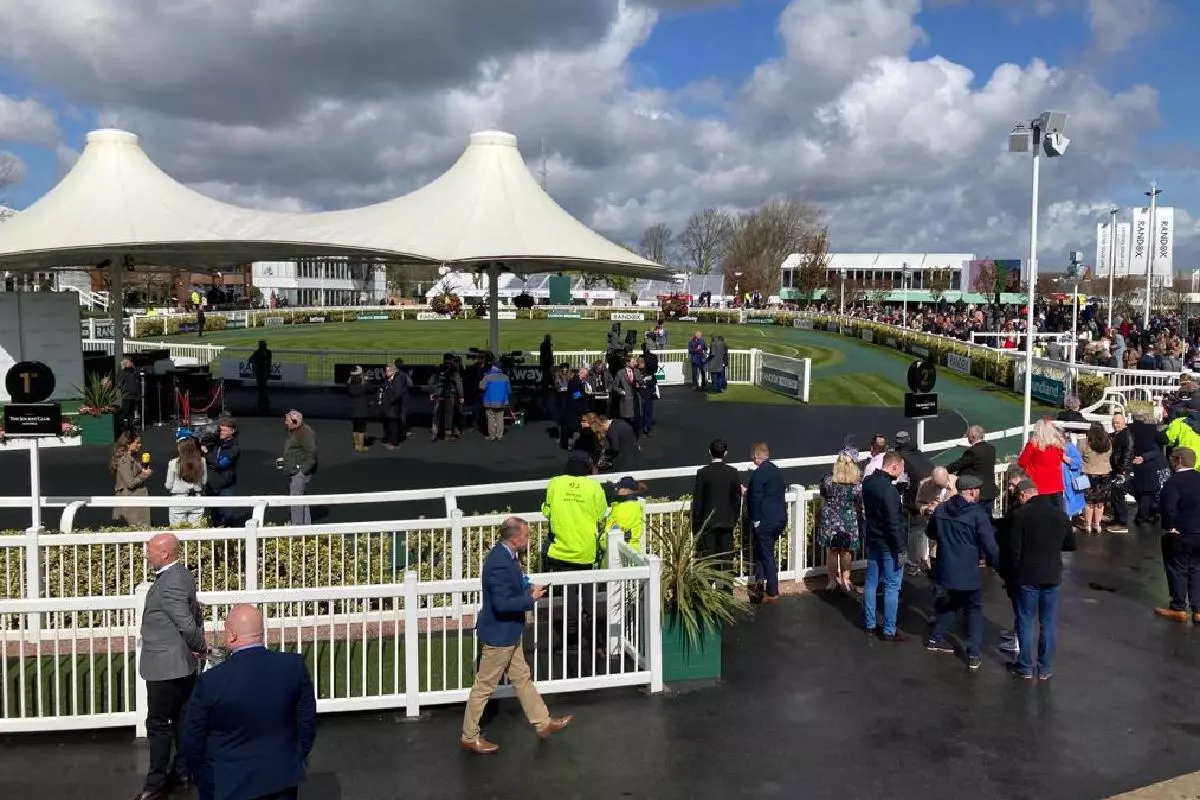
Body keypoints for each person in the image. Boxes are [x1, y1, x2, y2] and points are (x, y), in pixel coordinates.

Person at [181, 605, 317, 800]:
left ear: (232, 635)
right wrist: (293, 758)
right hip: (280, 778)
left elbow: (192, 740)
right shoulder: (293, 668)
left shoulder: (211, 682)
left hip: (226, 784)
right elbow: (307, 723)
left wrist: (202, 777)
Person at [462, 517, 572, 754]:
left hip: (509, 632)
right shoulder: (500, 561)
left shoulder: (508, 555)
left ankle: (543, 723)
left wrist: (528, 588)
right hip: (500, 635)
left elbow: (512, 587)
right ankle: (469, 736)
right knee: (484, 686)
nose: (529, 538)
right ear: (515, 538)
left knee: (522, 677)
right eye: (527, 535)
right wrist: (529, 599)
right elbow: (502, 604)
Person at [136, 533, 206, 800]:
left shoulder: (171, 583)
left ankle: (156, 783)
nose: (146, 553)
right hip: (180, 664)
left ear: (166, 554)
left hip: (166, 667)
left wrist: (201, 647)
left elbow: (187, 624)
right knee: (180, 721)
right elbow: (193, 614)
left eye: (151, 549)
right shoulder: (182, 575)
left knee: (158, 724)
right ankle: (182, 771)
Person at [922, 475, 999, 671]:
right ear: (972, 491)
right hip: (968, 571)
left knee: (951, 604)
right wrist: (1000, 565)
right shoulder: (977, 515)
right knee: (974, 610)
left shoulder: (941, 509)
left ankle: (935, 638)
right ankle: (973, 654)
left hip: (945, 568)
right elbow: (990, 546)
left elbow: (930, 533)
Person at [1005, 479, 1075, 680]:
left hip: (1028, 575)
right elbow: (1071, 544)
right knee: (1048, 623)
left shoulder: (1020, 515)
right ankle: (1045, 668)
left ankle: (1025, 666)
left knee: (1026, 621)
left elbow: (1013, 549)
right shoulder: (1060, 515)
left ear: (1024, 495)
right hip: (1052, 574)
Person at [861, 451, 906, 641]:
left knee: (871, 583)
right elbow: (893, 523)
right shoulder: (890, 491)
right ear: (894, 466)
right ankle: (889, 629)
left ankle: (870, 624)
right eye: (902, 467)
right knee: (891, 586)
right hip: (889, 544)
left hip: (873, 540)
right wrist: (901, 549)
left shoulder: (868, 483)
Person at [1156, 447, 1200, 623]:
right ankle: (1198, 608)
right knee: (1197, 569)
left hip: (1181, 533)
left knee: (1177, 569)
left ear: (1179, 461)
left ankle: (1178, 607)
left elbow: (1168, 507)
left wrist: (1170, 526)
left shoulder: (1174, 482)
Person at [692, 438, 743, 575]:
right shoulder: (732, 472)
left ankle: (708, 591)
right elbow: (737, 498)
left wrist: (696, 524)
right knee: (727, 560)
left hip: (708, 524)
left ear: (710, 452)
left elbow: (698, 500)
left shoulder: (703, 473)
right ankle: (727, 591)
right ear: (725, 453)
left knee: (708, 560)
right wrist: (734, 518)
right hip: (727, 523)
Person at [816, 448, 862, 594]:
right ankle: (845, 580)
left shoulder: (828, 481)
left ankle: (831, 581)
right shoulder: (856, 485)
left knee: (832, 551)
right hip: (848, 519)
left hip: (830, 519)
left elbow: (823, 493)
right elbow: (859, 500)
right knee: (846, 552)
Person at [746, 442, 786, 604]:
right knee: (764, 552)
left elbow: (754, 498)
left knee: (767, 555)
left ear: (756, 456)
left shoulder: (758, 474)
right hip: (780, 518)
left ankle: (773, 591)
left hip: (765, 521)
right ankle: (759, 584)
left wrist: (755, 520)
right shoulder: (776, 471)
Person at [945, 425, 997, 513]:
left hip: (978, 492)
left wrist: (945, 470)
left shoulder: (973, 451)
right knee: (988, 518)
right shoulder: (991, 449)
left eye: (968, 435)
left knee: (976, 517)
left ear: (972, 436)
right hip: (990, 491)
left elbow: (958, 464)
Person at [1018, 419, 1067, 509]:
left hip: (1038, 486)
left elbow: (1022, 462)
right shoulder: (1058, 445)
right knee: (1056, 514)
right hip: (1056, 485)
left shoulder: (1033, 444)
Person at [279, 410, 318, 526]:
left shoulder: (306, 433)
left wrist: (302, 472)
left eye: (287, 420)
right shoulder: (295, 431)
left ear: (295, 422)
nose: (285, 423)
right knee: (302, 501)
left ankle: (297, 530)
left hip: (300, 474)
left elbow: (312, 454)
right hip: (296, 471)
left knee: (295, 502)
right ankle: (305, 528)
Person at [201, 417, 240, 527]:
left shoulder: (234, 448)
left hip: (226, 484)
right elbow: (203, 440)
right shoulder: (216, 441)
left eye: (224, 430)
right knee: (214, 513)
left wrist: (206, 453)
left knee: (226, 513)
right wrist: (215, 432)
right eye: (220, 430)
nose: (221, 432)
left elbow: (220, 465)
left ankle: (229, 533)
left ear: (232, 431)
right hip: (212, 484)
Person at [111, 431, 152, 529]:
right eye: (137, 443)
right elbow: (130, 483)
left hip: (136, 500)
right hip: (131, 502)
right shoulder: (124, 460)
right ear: (128, 444)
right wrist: (144, 475)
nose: (140, 445)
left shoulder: (133, 457)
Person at [165, 433, 208, 527]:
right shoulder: (202, 461)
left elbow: (169, 486)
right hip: (196, 499)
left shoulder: (173, 463)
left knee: (178, 531)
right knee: (195, 532)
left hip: (178, 500)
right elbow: (204, 482)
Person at [1079, 421, 1113, 533]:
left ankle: (1087, 524)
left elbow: (1079, 457)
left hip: (1088, 474)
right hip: (1104, 474)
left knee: (1088, 501)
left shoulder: (1084, 442)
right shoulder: (1108, 443)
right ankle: (1097, 524)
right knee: (1100, 501)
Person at [603, 477, 647, 558]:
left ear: (626, 490)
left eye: (619, 488)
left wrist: (601, 543)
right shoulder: (630, 505)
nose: (616, 490)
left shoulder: (626, 508)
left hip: (624, 555)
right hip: (628, 552)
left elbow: (610, 533)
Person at [1108, 413, 1133, 533]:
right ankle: (1117, 519)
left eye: (1117, 423)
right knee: (1115, 495)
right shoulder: (1117, 434)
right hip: (1116, 468)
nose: (1115, 425)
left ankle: (1122, 522)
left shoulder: (1126, 436)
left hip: (1122, 470)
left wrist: (1122, 470)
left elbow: (1128, 454)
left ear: (1124, 423)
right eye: (1114, 422)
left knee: (1119, 496)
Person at [380, 361, 410, 449]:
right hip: (389, 406)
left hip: (394, 406)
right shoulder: (388, 379)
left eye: (387, 371)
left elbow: (397, 393)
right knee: (389, 424)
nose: (385, 372)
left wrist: (389, 401)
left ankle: (394, 442)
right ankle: (390, 440)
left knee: (394, 424)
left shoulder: (398, 379)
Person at [479, 362, 511, 441]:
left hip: (489, 401)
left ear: (493, 367)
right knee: (500, 418)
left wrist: (480, 382)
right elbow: (509, 391)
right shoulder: (505, 377)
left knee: (491, 418)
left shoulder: (487, 376)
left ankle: (492, 436)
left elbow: (482, 387)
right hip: (501, 402)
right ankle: (499, 435)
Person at [347, 365, 372, 452]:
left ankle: (357, 445)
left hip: (353, 409)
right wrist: (366, 380)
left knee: (355, 428)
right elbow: (371, 390)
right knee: (361, 429)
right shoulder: (364, 384)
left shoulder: (349, 384)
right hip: (362, 409)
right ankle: (361, 446)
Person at [116, 356, 142, 433]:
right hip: (126, 395)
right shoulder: (122, 372)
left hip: (134, 395)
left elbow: (137, 381)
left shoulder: (134, 371)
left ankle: (131, 427)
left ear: (131, 362)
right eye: (124, 362)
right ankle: (120, 426)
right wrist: (120, 367)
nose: (126, 364)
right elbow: (119, 383)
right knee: (125, 411)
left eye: (127, 362)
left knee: (131, 413)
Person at [247, 340, 272, 415]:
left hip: (261, 373)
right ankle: (265, 403)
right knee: (263, 388)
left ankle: (263, 404)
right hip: (264, 373)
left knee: (262, 388)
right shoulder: (268, 352)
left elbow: (250, 360)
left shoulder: (258, 352)